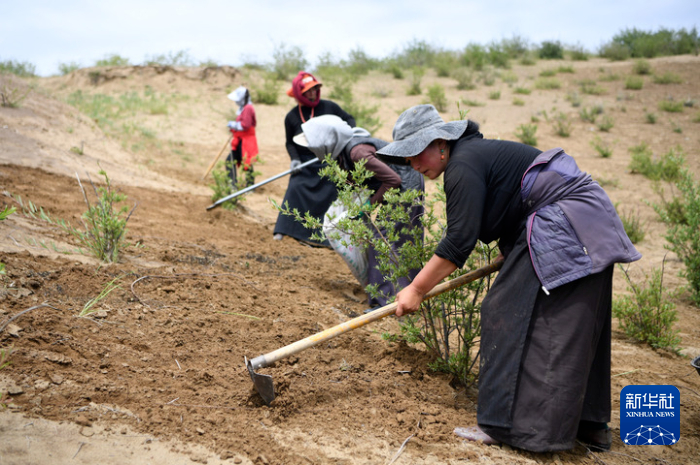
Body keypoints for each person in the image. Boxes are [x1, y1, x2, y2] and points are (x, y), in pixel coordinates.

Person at [376, 104, 641, 453]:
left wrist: (416, 289)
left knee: (505, 311)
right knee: (577, 320)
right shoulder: (475, 154)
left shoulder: (462, 164)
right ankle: (589, 425)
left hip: (565, 221)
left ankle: (507, 427)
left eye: (416, 152)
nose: (413, 164)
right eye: (406, 158)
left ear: (441, 142)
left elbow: (458, 241)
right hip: (587, 222)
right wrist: (514, 249)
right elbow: (513, 200)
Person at [293, 114, 424, 308]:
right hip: (398, 186)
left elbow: (393, 180)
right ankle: (403, 294)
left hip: (405, 187)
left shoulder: (356, 152)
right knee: (393, 239)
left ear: (325, 142)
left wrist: (369, 205)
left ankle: (384, 301)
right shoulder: (345, 152)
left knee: (383, 239)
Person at [273, 71, 355, 246]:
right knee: (295, 187)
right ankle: (284, 229)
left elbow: (349, 120)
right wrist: (294, 159)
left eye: (315, 89)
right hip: (305, 162)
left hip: (330, 160)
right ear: (298, 94)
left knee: (336, 189)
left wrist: (347, 136)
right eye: (307, 91)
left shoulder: (330, 107)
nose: (312, 93)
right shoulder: (292, 117)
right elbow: (290, 143)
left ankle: (332, 236)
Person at [226, 86, 258, 187]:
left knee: (245, 161)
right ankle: (234, 184)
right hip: (241, 139)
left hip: (246, 140)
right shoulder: (244, 108)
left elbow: (246, 125)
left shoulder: (248, 108)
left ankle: (248, 185)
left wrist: (233, 125)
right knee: (237, 160)